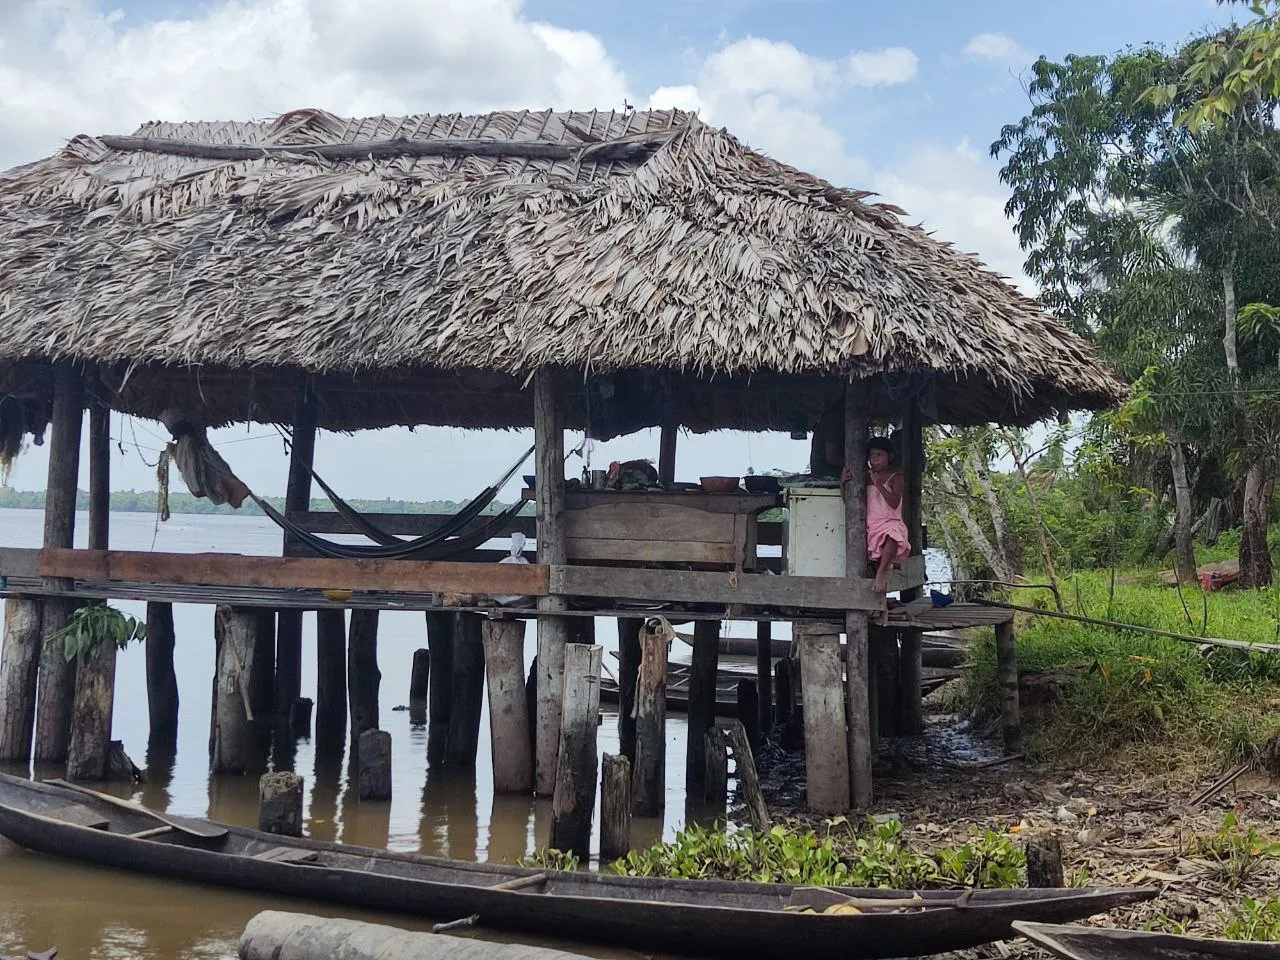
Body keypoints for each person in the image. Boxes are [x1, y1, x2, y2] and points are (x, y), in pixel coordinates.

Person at [841, 436, 910, 593]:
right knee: (870, 568)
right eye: (872, 456)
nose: (875, 460)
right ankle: (878, 600)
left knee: (894, 534)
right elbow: (850, 503)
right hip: (871, 524)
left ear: (889, 456)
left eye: (879, 455)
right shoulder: (864, 477)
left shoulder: (896, 477)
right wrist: (843, 484)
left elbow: (893, 503)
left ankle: (882, 572)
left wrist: (878, 483)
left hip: (891, 520)